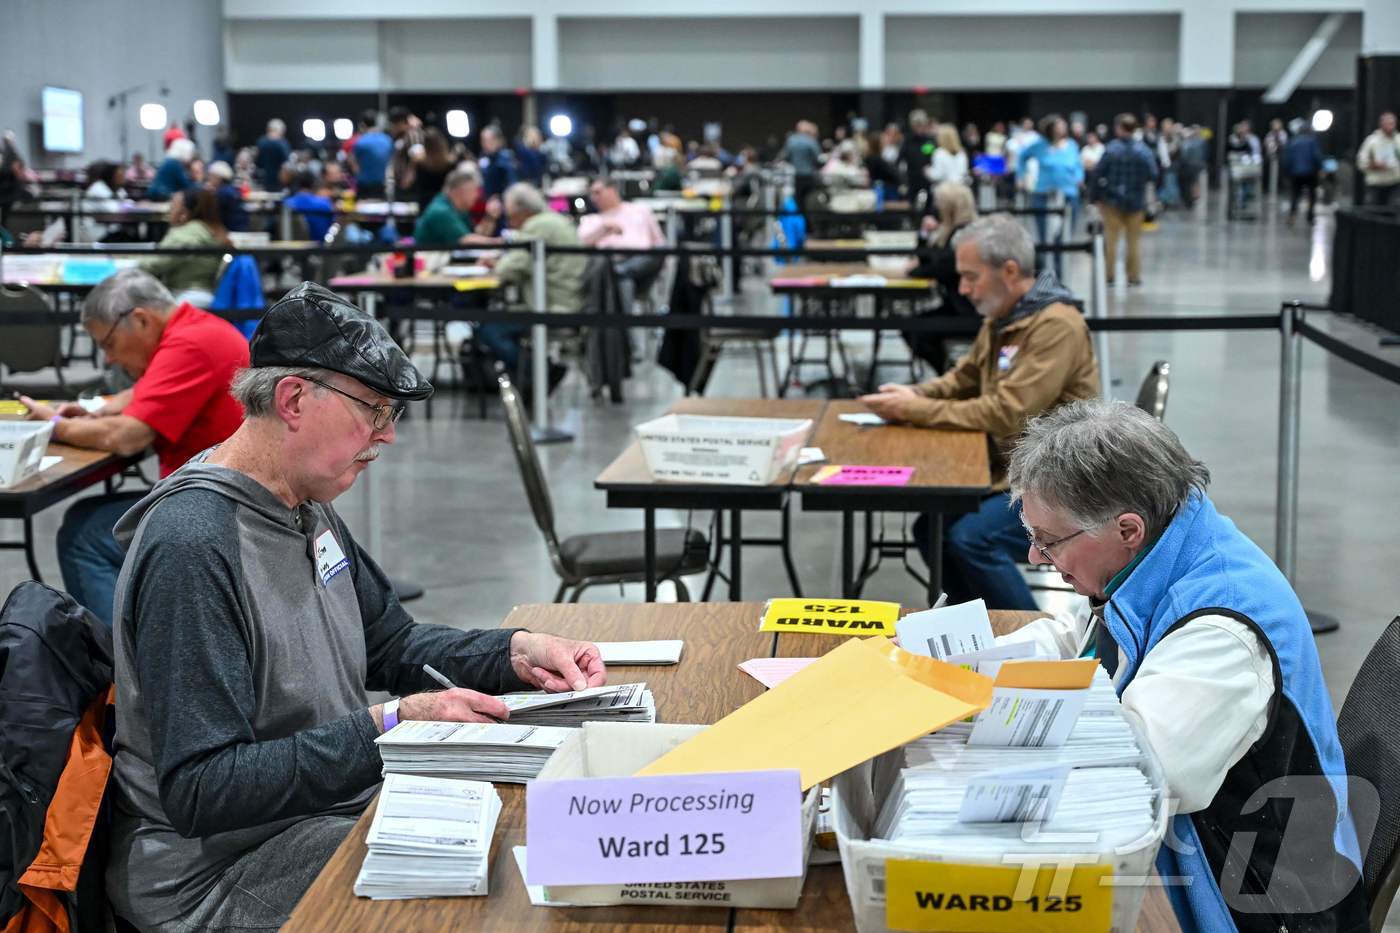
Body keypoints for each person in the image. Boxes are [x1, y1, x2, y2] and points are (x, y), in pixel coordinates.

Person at [104, 282, 606, 932]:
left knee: (524, 842)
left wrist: (515, 651)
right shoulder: (194, 545)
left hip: (314, 816)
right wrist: (389, 724)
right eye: (373, 409)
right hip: (216, 874)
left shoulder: (304, 508)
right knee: (496, 901)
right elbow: (204, 786)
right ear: (292, 399)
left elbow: (392, 644)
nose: (388, 434)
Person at [1001, 400, 1368, 932]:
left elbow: (1145, 775)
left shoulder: (1223, 630)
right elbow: (1095, 645)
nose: (1036, 558)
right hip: (1201, 850)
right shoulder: (1167, 550)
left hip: (1252, 902)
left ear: (1127, 529)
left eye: (1048, 541)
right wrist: (982, 670)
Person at [858, 214, 1098, 609]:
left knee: (972, 537)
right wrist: (914, 392)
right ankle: (972, 629)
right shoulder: (1005, 317)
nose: (963, 289)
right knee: (931, 529)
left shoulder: (1056, 326)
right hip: (1013, 471)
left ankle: (1032, 641)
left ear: (1009, 270)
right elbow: (963, 377)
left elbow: (1007, 413)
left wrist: (916, 409)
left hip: (1060, 482)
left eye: (971, 277)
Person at [19, 270, 248, 627]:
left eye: (108, 344)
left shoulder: (188, 345)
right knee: (85, 518)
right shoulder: (199, 328)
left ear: (140, 320)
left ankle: (125, 669)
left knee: (85, 539)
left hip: (221, 510)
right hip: (222, 494)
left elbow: (128, 437)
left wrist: (56, 426)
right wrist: (97, 411)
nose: (108, 359)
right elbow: (146, 393)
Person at [480, 183, 585, 376]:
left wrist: (497, 263)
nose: (510, 224)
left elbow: (508, 269)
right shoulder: (554, 220)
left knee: (490, 330)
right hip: (567, 299)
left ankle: (540, 374)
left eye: (511, 217)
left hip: (552, 307)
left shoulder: (537, 226)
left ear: (524, 212)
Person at [903, 182, 979, 371]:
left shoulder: (964, 235)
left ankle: (949, 375)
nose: (936, 209)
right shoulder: (951, 231)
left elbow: (941, 268)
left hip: (969, 312)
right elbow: (928, 261)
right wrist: (924, 233)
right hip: (957, 306)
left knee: (914, 330)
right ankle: (949, 374)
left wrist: (914, 271)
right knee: (909, 326)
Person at [1091, 113, 1159, 287]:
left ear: (1120, 128)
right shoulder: (1143, 150)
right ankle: (1133, 277)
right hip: (1136, 201)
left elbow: (1098, 174)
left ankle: (1109, 276)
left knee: (1111, 241)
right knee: (1134, 242)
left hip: (1112, 201)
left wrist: (1095, 197)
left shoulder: (1111, 149)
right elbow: (1153, 174)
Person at [579, 176, 666, 308]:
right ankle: (623, 324)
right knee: (619, 277)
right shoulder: (591, 220)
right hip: (607, 266)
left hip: (642, 265)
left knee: (658, 252)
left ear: (612, 190)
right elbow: (580, 245)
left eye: (597, 192)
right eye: (591, 194)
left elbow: (659, 242)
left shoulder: (640, 210)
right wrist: (602, 230)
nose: (593, 198)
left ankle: (620, 271)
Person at [1017, 114, 1083, 278]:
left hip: (1068, 193)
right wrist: (1021, 176)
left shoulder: (1071, 145)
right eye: (1059, 126)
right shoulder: (1040, 145)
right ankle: (1044, 272)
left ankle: (1061, 273)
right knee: (1044, 236)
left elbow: (1077, 164)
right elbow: (1022, 157)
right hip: (1043, 192)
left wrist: (1079, 177)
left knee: (1064, 235)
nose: (1063, 128)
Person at [139, 188, 230, 296]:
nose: (168, 211)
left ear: (184, 214)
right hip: (207, 293)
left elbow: (151, 265)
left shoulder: (184, 235)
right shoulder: (213, 229)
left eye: (172, 206)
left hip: (183, 294)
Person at [412, 163, 497, 247]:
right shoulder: (441, 211)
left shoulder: (460, 209)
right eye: (473, 190)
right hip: (430, 259)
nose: (477, 195)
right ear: (460, 191)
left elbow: (477, 234)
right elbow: (465, 241)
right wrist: (501, 243)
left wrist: (490, 217)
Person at [1282, 123, 1324, 227]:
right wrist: (1320, 168)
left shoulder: (1293, 142)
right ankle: (1310, 216)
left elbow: (1288, 158)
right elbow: (1316, 156)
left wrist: (1287, 172)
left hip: (1296, 173)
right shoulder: (1312, 141)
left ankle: (1292, 216)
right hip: (1310, 172)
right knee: (1311, 195)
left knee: (1295, 194)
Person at [77, 160, 128, 243]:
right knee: (129, 239)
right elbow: (113, 211)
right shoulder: (98, 188)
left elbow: (126, 202)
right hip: (97, 234)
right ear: (111, 175)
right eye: (120, 174)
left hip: (109, 229)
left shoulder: (117, 188)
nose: (123, 177)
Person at [1357, 111, 1400, 207]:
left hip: (1395, 183)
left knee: (1393, 211)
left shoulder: (1398, 140)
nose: (1390, 126)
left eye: (1392, 123)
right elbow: (1361, 162)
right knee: (1375, 212)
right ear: (1381, 124)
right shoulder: (1371, 141)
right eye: (1387, 123)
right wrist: (1374, 164)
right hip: (1376, 184)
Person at [779, 120, 822, 215]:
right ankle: (808, 224)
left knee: (797, 200)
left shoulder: (791, 140)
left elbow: (785, 156)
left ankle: (799, 223)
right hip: (809, 175)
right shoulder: (811, 141)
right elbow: (818, 157)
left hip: (795, 176)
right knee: (810, 200)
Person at [349, 110, 393, 200]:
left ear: (363, 124)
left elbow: (353, 162)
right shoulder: (388, 140)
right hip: (381, 185)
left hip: (363, 185)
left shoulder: (360, 142)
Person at [412, 127, 457, 213]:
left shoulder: (419, 163)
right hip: (444, 204)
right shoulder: (450, 164)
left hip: (425, 205)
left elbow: (410, 182)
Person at [284, 171, 336, 242]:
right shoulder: (325, 204)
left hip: (291, 248)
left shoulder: (287, 204)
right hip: (321, 248)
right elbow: (334, 225)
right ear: (313, 184)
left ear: (298, 184)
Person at [206, 160, 249, 233]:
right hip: (241, 228)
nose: (209, 179)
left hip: (230, 231)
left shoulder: (221, 194)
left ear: (218, 178)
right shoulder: (232, 189)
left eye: (211, 176)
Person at [478, 125, 518, 200]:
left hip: (502, 200)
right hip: (486, 200)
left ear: (498, 141)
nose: (486, 144)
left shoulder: (506, 157)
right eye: (483, 140)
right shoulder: (483, 156)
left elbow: (512, 183)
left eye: (490, 140)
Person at [254, 119, 291, 192]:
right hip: (279, 181)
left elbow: (257, 162)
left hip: (264, 179)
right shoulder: (283, 143)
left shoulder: (261, 142)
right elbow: (286, 163)